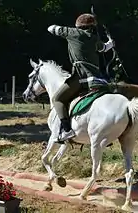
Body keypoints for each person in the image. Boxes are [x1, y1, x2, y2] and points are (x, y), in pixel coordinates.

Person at [47, 13, 115, 142]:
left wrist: (68, 30)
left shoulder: (72, 32)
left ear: (78, 25)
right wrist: (111, 43)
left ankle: (66, 130)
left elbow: (50, 28)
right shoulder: (94, 38)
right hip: (99, 79)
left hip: (81, 77)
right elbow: (105, 48)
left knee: (57, 99)